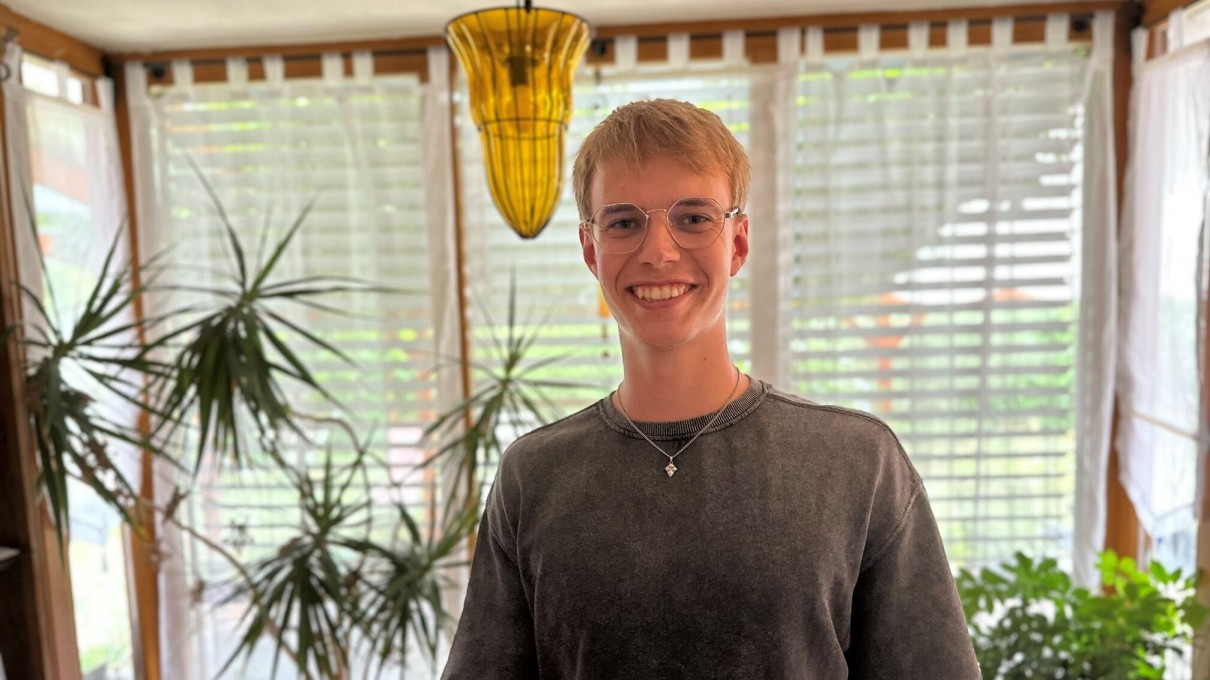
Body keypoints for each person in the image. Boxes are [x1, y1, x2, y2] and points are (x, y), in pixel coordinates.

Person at [442, 99, 980, 679]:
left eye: (693, 218)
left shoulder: (858, 461)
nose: (658, 251)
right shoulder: (533, 475)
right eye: (624, 221)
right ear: (591, 249)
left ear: (738, 242)